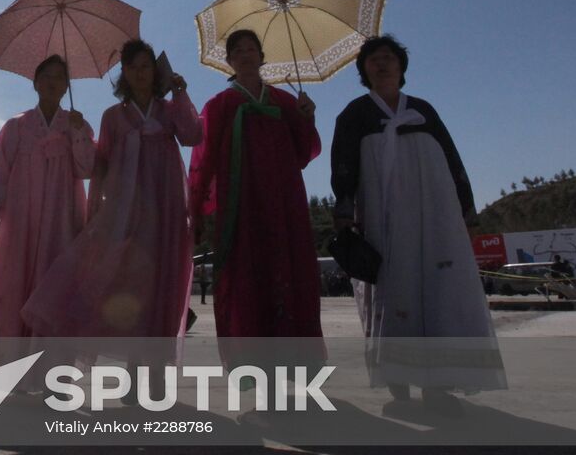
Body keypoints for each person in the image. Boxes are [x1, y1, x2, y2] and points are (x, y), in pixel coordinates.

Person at [331, 35, 505, 413]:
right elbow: (342, 165)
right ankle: (399, 375)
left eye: (389, 58)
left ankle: (440, 382)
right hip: (383, 216)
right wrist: (344, 211)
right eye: (374, 59)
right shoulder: (354, 115)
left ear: (401, 67)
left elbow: (452, 158)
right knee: (396, 285)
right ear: (363, 70)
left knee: (441, 287)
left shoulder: (424, 110)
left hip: (435, 216)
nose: (382, 64)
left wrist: (465, 208)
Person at [22, 40, 201, 391]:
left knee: (162, 289)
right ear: (125, 74)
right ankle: (134, 376)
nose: (140, 72)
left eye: (146, 66)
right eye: (132, 66)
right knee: (127, 290)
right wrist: (95, 214)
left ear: (155, 71)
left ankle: (156, 376)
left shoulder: (167, 112)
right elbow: (100, 168)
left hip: (165, 215)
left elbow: (194, 135)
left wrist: (181, 95)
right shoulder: (113, 117)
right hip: (126, 216)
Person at [187, 30, 323, 357]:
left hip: (285, 205)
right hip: (241, 208)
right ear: (229, 61)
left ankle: (294, 366)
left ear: (263, 57)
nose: (246, 54)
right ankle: (257, 372)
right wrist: (198, 210)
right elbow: (203, 163)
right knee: (247, 281)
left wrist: (308, 117)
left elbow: (304, 153)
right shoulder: (220, 104)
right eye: (238, 50)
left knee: (291, 276)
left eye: (252, 49)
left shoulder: (285, 101)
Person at [0, 55, 94, 367]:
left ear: (66, 86)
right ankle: (15, 370)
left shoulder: (77, 125)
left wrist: (79, 133)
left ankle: (54, 374)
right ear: (35, 83)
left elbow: (87, 168)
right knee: (13, 290)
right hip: (21, 223)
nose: (53, 81)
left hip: (63, 222)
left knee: (57, 292)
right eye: (46, 76)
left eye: (60, 77)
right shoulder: (16, 127)